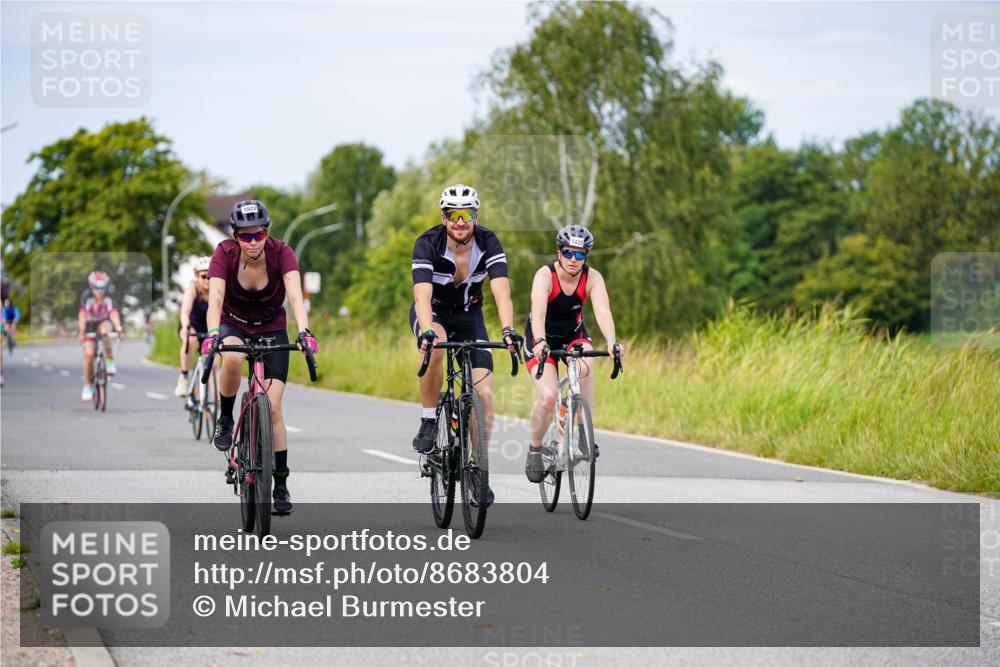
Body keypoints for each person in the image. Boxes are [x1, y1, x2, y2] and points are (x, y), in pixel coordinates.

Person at [202, 200, 317, 516]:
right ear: (235, 236)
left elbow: (295, 295)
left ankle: (280, 484)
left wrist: (304, 330)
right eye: (246, 236)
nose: (253, 242)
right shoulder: (224, 253)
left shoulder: (282, 252)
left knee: (274, 407)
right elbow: (215, 297)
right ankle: (226, 418)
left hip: (271, 327)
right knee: (232, 359)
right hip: (233, 324)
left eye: (259, 234)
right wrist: (213, 332)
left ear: (267, 232)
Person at [409, 184, 521, 505]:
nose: (461, 221)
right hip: (434, 314)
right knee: (436, 347)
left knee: (483, 393)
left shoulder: (488, 242)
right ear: (443, 217)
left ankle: (477, 466)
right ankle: (429, 420)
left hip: (470, 316)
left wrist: (508, 329)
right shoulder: (427, 243)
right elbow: (422, 295)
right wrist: (426, 330)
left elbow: (501, 291)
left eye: (467, 214)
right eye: (454, 215)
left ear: (476, 216)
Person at [523, 225, 624, 483]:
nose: (573, 259)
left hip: (573, 334)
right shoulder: (545, 276)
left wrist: (611, 342)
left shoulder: (592, 278)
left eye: (580, 255)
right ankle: (535, 449)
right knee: (548, 396)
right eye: (568, 253)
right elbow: (538, 313)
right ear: (559, 252)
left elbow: (603, 311)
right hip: (540, 336)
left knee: (585, 367)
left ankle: (582, 432)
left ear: (586, 256)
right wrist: (540, 342)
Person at [78, 271, 124, 401]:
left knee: (105, 332)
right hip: (90, 325)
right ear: (91, 287)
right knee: (89, 354)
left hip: (103, 321)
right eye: (97, 288)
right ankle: (87, 385)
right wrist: (81, 330)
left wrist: (119, 327)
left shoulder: (109, 297)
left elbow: (114, 313)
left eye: (103, 288)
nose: (100, 291)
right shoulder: (87, 296)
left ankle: (109, 362)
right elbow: (82, 315)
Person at [175, 257, 212, 397]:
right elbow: (185, 311)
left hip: (209, 327)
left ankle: (216, 399)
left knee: (214, 361)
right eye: (203, 276)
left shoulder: (217, 289)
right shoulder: (192, 288)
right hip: (191, 324)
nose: (207, 280)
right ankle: (184, 377)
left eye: (210, 276)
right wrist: (185, 327)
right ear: (197, 276)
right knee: (190, 340)